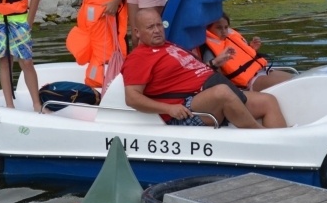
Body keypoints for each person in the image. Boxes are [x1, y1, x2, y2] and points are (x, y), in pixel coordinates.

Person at [122, 9, 287, 129]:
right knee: (222, 92)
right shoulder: (138, 58)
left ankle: (283, 146)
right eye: (150, 27)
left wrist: (215, 63)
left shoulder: (169, 46)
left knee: (268, 101)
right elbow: (132, 98)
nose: (157, 30)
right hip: (185, 107)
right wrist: (169, 109)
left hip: (209, 91)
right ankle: (262, 135)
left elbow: (193, 72)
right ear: (137, 32)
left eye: (159, 25)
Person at [202, 12, 293, 92]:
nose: (224, 31)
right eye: (219, 28)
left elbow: (241, 60)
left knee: (295, 78)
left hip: (262, 71)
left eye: (226, 27)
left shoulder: (230, 39)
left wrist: (252, 48)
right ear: (208, 29)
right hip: (248, 84)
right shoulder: (209, 51)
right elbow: (217, 78)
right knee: (290, 84)